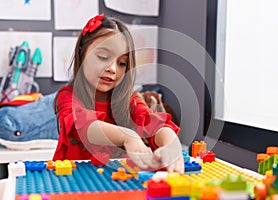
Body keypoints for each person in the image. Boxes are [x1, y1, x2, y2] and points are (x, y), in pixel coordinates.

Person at [52, 14, 184, 173]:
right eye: (103, 57)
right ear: (82, 53)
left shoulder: (129, 100)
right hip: (71, 182)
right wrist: (128, 136)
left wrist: (171, 145)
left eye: (122, 63)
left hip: (112, 183)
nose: (112, 69)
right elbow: (82, 125)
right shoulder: (67, 96)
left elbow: (155, 124)